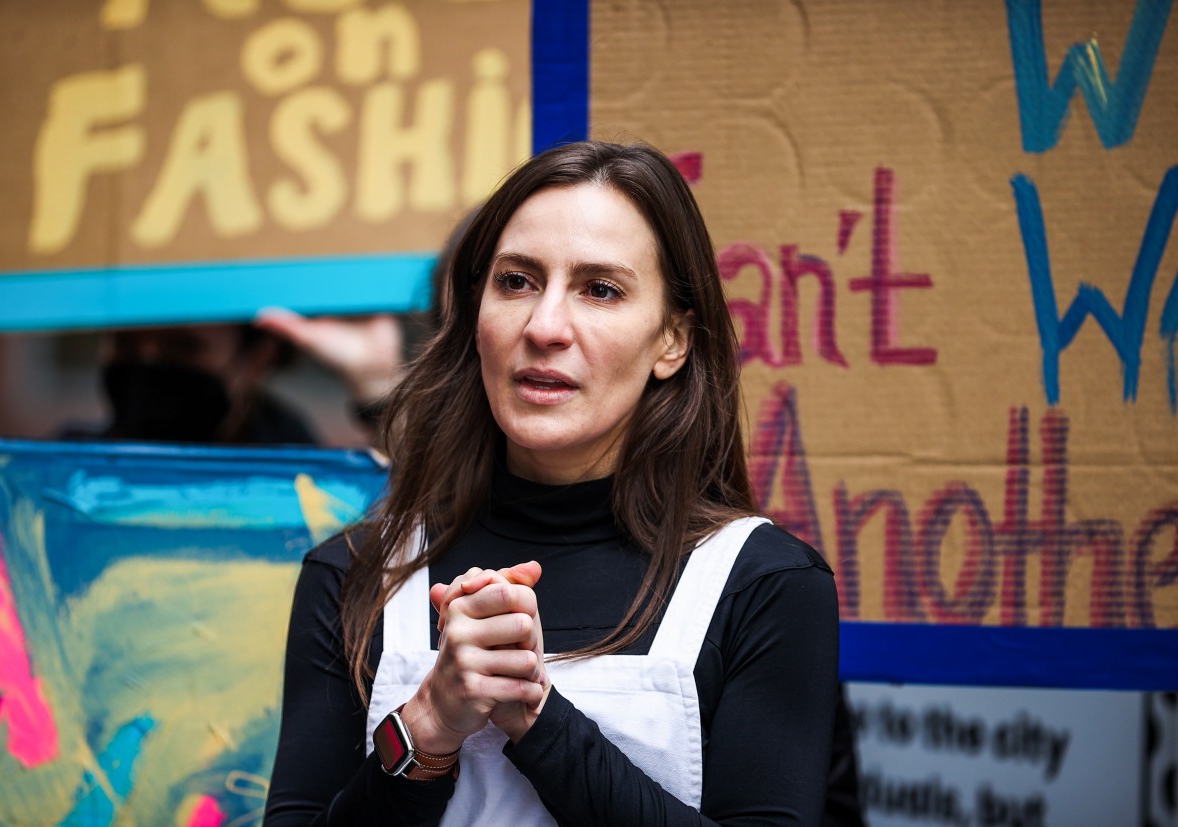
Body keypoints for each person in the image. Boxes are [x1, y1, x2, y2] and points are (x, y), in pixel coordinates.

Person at [265, 140, 841, 825]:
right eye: (516, 281)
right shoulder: (355, 574)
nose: (544, 326)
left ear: (673, 341)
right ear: (473, 312)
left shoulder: (763, 584)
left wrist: (537, 717)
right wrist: (427, 724)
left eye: (601, 289)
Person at [64, 323, 317, 445]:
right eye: (124, 342)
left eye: (184, 347)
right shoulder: (59, 475)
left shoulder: (310, 485)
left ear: (258, 359)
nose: (148, 363)